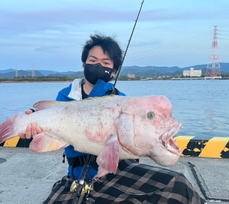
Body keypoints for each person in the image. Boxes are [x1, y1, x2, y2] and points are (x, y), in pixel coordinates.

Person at [19, 34, 206, 204]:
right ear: (83, 64)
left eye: (106, 63)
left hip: (118, 172)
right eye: (93, 60)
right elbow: (47, 119)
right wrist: (31, 120)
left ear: (114, 72)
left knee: (178, 185)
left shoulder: (121, 99)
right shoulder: (65, 97)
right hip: (77, 177)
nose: (98, 66)